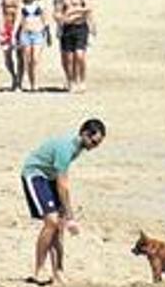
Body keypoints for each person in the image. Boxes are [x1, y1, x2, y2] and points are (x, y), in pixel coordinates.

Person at [21, 119, 106, 286]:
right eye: (94, 142)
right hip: (35, 174)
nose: (94, 147)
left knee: (59, 226)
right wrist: (71, 216)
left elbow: (61, 180)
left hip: (49, 176)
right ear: (84, 134)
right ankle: (38, 271)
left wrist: (66, 217)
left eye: (98, 144)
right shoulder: (66, 148)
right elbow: (63, 184)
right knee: (51, 222)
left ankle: (58, 271)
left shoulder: (78, 147)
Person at [52, 0, 94, 93]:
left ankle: (82, 80)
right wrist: (60, 22)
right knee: (68, 58)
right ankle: (71, 80)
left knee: (79, 55)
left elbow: (89, 8)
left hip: (80, 26)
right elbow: (57, 13)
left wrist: (75, 11)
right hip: (67, 28)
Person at [17, 0, 51, 92]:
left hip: (37, 33)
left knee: (35, 59)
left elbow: (45, 19)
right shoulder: (22, 5)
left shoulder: (40, 4)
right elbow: (18, 20)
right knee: (28, 60)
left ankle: (36, 83)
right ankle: (31, 83)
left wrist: (48, 33)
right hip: (25, 33)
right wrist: (15, 34)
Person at [0, 0, 25, 90]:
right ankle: (13, 77)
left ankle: (19, 80)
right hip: (7, 25)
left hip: (20, 27)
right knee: (7, 55)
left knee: (20, 55)